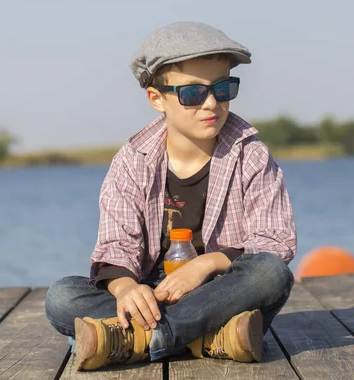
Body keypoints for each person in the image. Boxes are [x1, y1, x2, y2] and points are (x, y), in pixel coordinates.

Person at [45, 21, 296, 371]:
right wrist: (125, 288)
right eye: (193, 93)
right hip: (153, 292)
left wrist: (206, 264)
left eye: (223, 89)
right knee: (61, 297)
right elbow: (116, 245)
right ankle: (211, 339)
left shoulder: (250, 155)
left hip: (222, 292)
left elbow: (274, 241)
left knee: (271, 273)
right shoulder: (133, 160)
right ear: (156, 99)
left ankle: (141, 339)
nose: (211, 103)